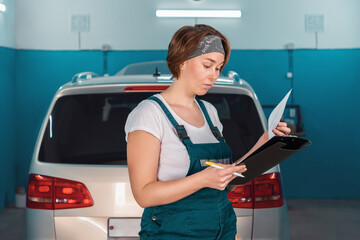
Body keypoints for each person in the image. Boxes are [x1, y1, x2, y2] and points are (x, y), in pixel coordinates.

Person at [125, 24, 291, 240]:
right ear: (182, 61)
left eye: (218, 68)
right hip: (173, 233)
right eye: (207, 65)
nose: (214, 76)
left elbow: (226, 179)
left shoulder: (209, 112)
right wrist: (201, 179)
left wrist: (266, 141)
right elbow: (143, 195)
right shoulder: (149, 113)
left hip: (223, 229)